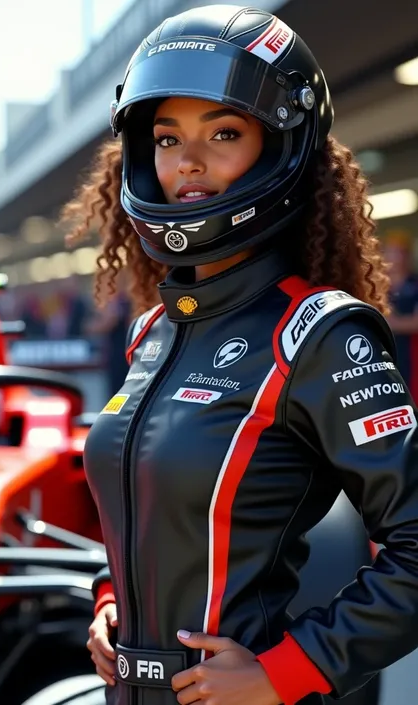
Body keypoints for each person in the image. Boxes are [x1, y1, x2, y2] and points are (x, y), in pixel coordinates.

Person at [60, 7, 418, 705]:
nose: (188, 161)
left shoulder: (318, 333)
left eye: (224, 132)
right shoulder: (152, 332)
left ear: (281, 145)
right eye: (167, 137)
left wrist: (288, 670)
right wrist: (109, 601)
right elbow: (142, 515)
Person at [383, 230, 418, 400]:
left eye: (398, 252)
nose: (393, 258)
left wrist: (387, 323)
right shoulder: (379, 288)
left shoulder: (414, 284)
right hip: (388, 356)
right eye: (390, 252)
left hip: (412, 356)